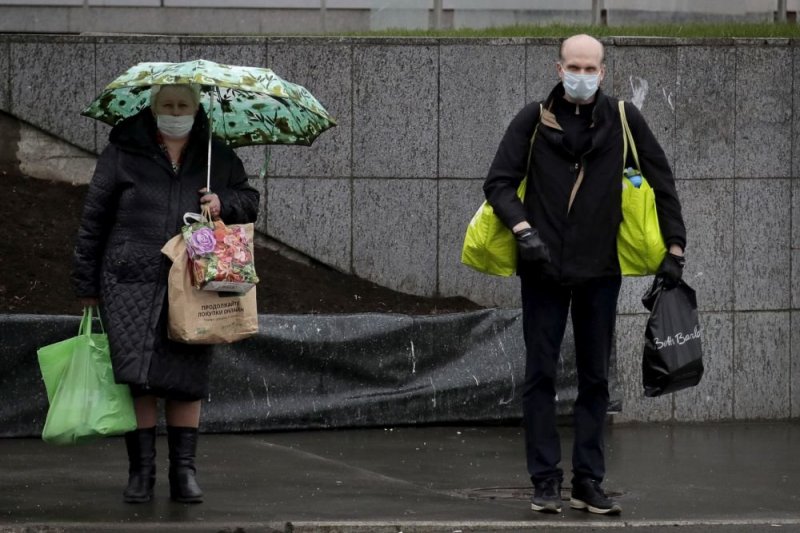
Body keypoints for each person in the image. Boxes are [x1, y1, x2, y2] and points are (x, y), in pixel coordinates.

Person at [483, 34, 686, 515]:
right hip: (543, 269)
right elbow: (498, 182)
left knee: (596, 379)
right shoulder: (533, 119)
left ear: (603, 72)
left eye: (590, 68)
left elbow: (661, 180)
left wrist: (675, 249)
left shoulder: (623, 119)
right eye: (573, 66)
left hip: (600, 271)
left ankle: (588, 482)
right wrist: (522, 227)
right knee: (540, 375)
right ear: (558, 69)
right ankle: (545, 480)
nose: (581, 75)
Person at [71, 83, 259, 504]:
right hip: (129, 280)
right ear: (153, 108)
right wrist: (85, 282)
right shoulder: (123, 152)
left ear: (197, 109)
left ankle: (183, 474)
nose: (176, 111)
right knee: (139, 379)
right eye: (168, 104)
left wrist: (223, 201)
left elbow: (250, 200)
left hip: (194, 283)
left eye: (184, 105)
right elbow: (93, 219)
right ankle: (141, 474)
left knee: (186, 378)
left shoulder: (217, 156)